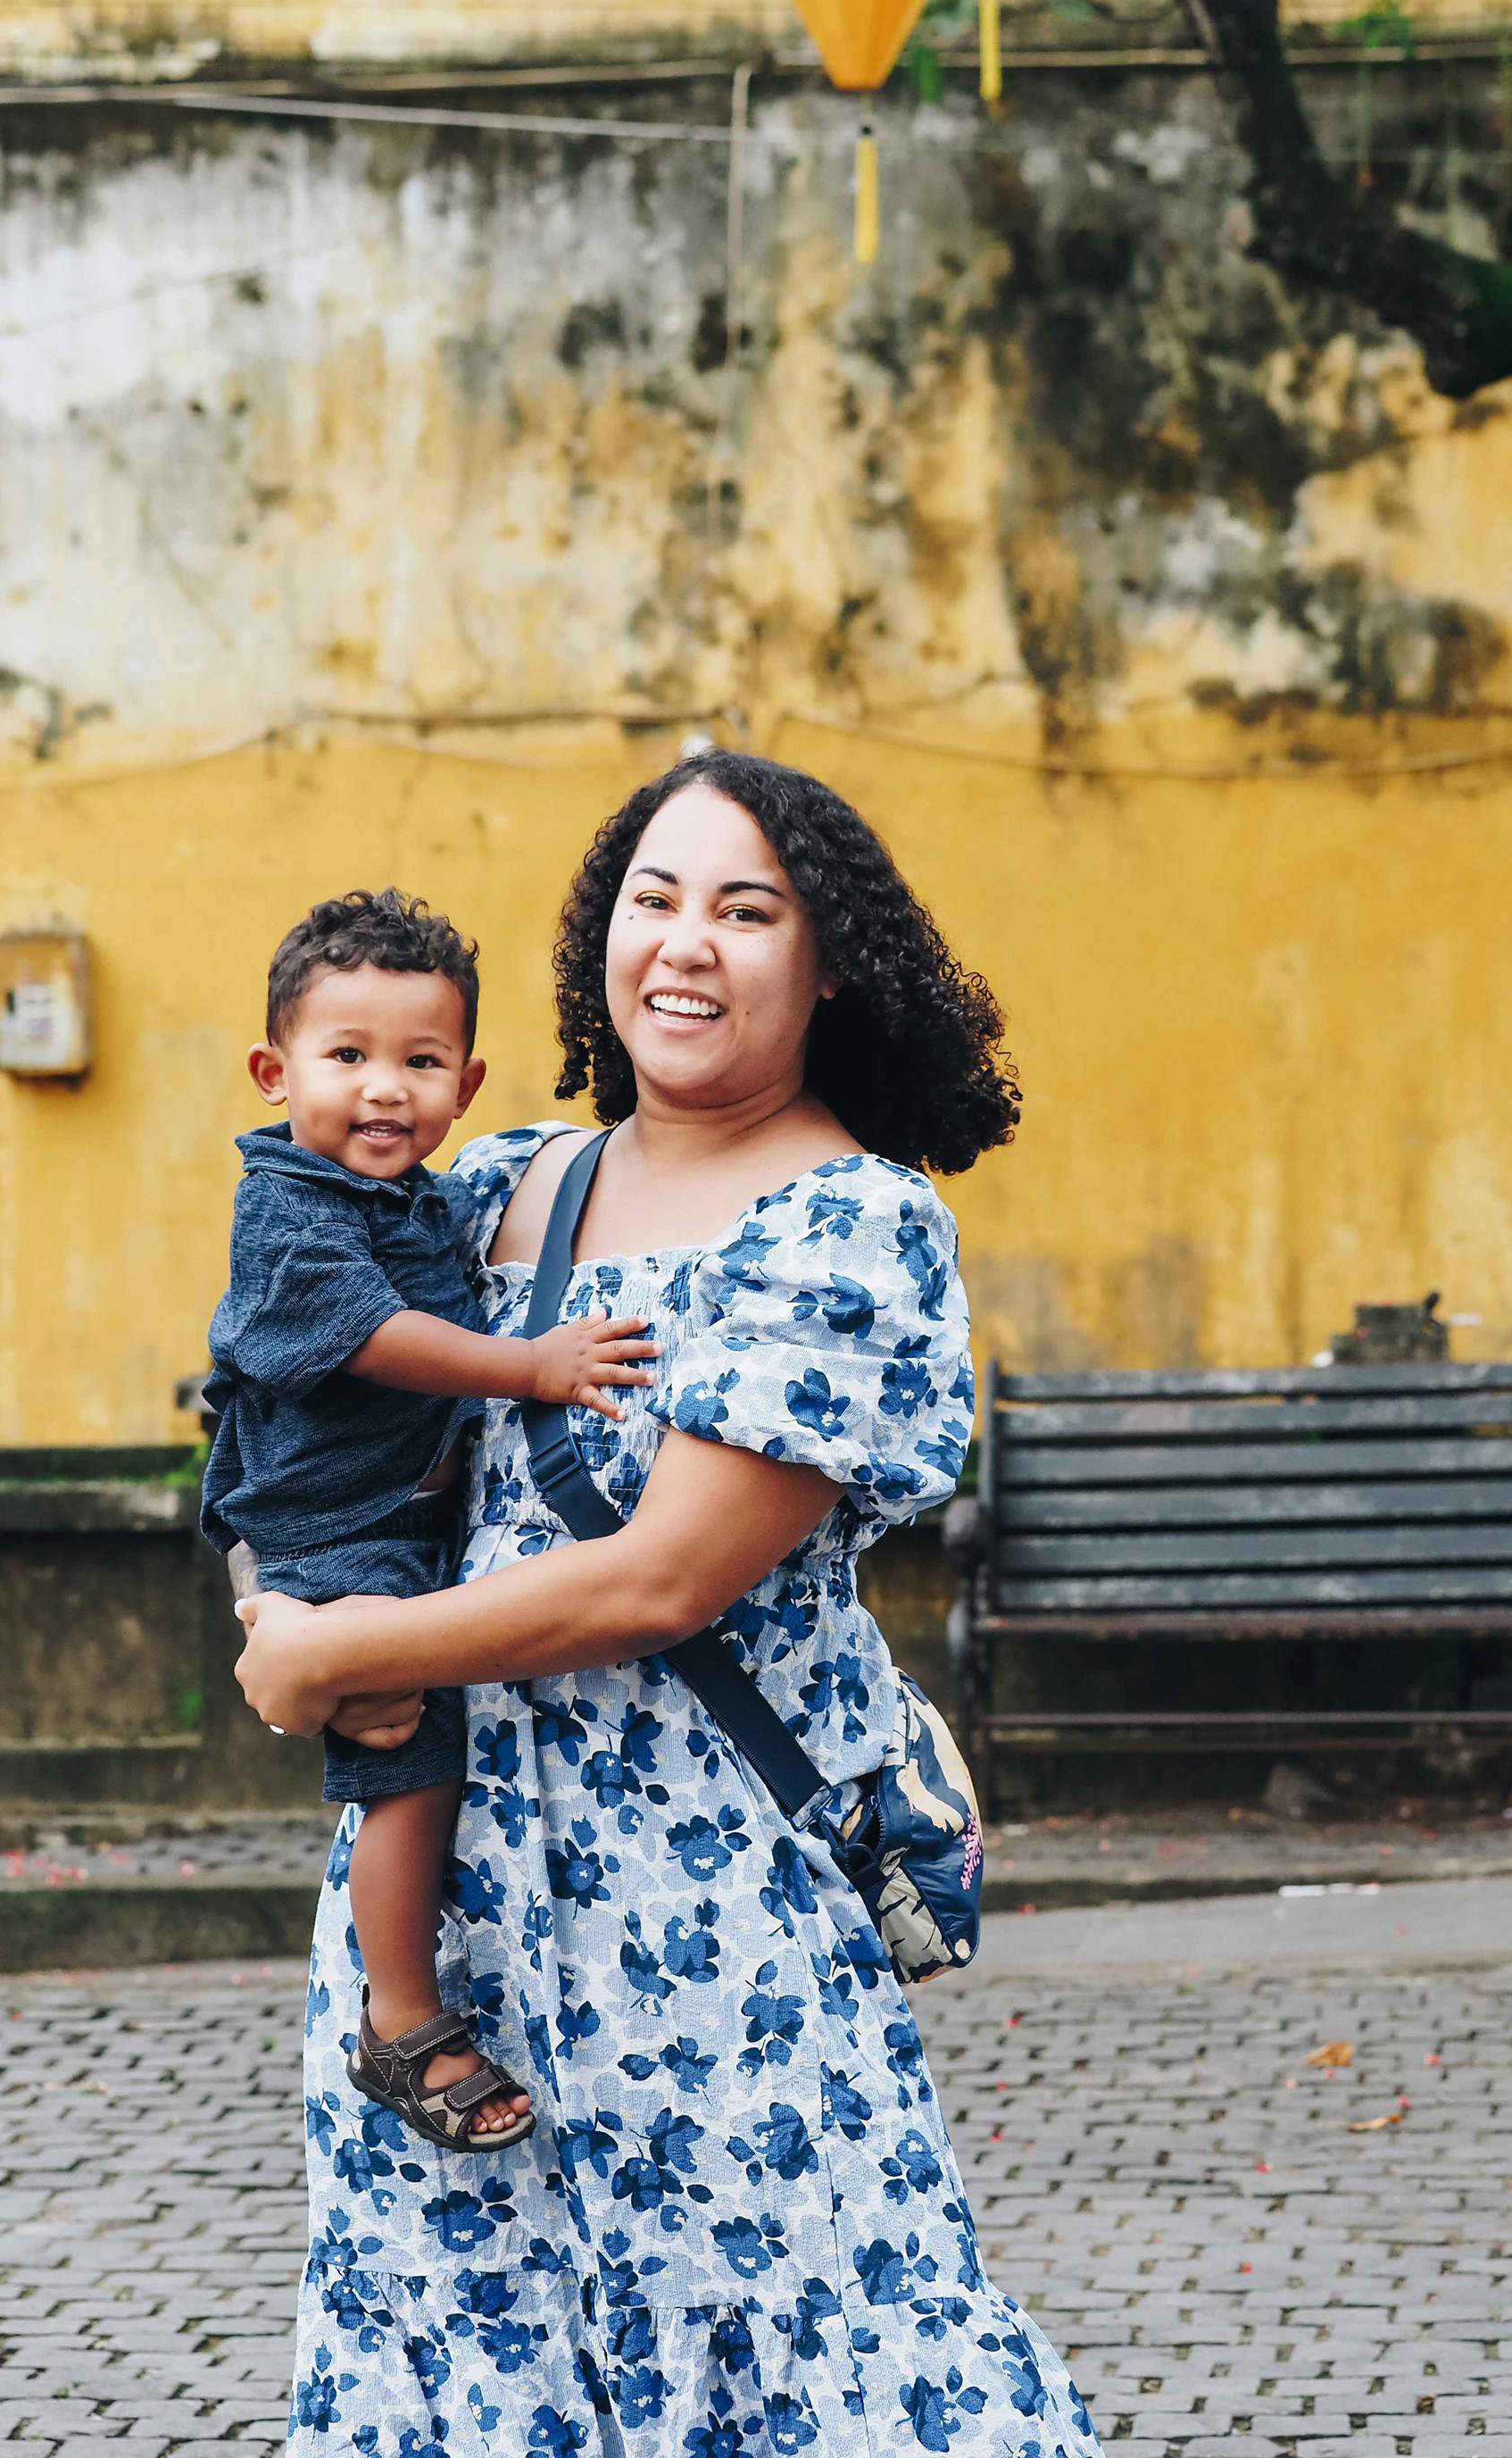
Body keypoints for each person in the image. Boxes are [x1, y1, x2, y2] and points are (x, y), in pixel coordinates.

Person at [235, 755, 1101, 2457]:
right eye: (654, 898)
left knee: (828, 2353)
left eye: (746, 909)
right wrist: (271, 1609)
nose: (686, 945)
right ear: (600, 939)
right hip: (454, 1935)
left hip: (715, 1933)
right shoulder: (489, 1194)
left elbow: (661, 1579)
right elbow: (286, 1404)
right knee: (472, 2371)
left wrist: (336, 1653)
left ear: (830, 961)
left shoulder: (851, 1228)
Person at [203, 888, 654, 2153]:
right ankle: (400, 2021)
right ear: (273, 1070)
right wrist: (537, 1368)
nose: (385, 1089)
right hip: (333, 1533)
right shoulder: (290, 1206)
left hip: (395, 1526)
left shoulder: (426, 1199)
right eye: (347, 1057)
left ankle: (406, 2001)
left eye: (421, 1061)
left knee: (411, 1736)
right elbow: (380, 1342)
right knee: (410, 1762)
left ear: (469, 1082)